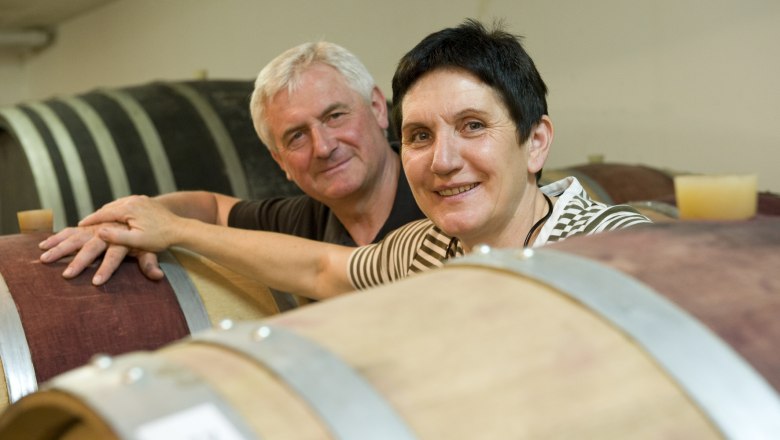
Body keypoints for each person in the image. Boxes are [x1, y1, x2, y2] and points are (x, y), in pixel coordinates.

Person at [66, 19, 651, 300]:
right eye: (420, 135)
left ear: (537, 141)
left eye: (472, 126)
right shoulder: (424, 248)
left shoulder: (614, 248)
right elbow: (324, 270)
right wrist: (163, 224)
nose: (444, 160)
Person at [39, 41, 425, 309]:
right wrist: (131, 218)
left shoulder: (440, 196)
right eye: (296, 136)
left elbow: (325, 269)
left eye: (334, 116)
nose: (323, 146)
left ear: (377, 108)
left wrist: (175, 230)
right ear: (281, 163)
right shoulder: (305, 219)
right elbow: (211, 206)